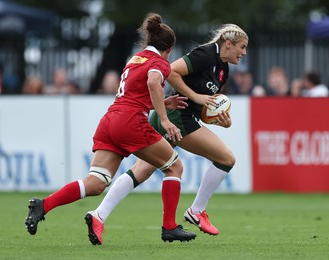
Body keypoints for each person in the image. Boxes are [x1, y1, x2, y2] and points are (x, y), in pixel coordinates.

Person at [25, 13, 196, 244]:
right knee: (174, 167)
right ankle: (169, 227)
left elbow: (135, 94)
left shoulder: (136, 59)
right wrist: (164, 119)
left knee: (95, 183)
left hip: (110, 121)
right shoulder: (160, 63)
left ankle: (43, 205)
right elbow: (153, 82)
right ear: (170, 48)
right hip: (130, 123)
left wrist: (161, 104)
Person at [90, 24, 248, 242]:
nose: (244, 52)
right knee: (226, 159)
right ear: (228, 44)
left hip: (178, 116)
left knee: (142, 170)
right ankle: (196, 211)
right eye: (242, 47)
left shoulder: (224, 70)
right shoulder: (205, 54)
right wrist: (195, 96)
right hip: (176, 117)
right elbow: (171, 70)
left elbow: (203, 109)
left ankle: (99, 215)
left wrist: (220, 120)